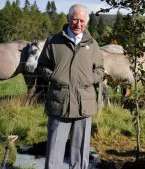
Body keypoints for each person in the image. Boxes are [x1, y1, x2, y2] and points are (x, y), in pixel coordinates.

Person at [37, 4, 104, 169]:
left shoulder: (92, 44)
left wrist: (89, 79)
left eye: (82, 20)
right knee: (54, 150)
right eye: (75, 19)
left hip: (84, 103)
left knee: (80, 152)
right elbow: (42, 65)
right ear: (68, 19)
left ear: (86, 23)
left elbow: (100, 70)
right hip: (60, 102)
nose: (78, 24)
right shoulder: (53, 42)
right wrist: (54, 76)